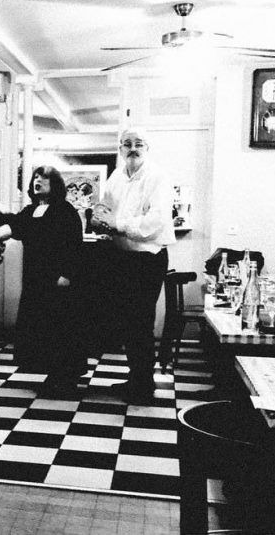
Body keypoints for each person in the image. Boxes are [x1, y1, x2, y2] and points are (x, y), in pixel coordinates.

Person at [93, 128, 175, 403]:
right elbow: (105, 206)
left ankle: (144, 386)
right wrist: (98, 216)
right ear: (120, 149)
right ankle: (135, 378)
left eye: (139, 144)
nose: (133, 148)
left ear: (147, 148)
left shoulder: (158, 177)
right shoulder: (117, 176)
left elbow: (155, 222)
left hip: (147, 259)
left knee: (141, 322)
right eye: (127, 144)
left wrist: (117, 224)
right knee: (128, 323)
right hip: (123, 258)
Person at [0, 166, 86, 392]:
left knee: (60, 326)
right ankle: (53, 373)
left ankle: (65, 376)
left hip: (58, 278)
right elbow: (14, 226)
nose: (37, 180)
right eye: (36, 177)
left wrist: (67, 274)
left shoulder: (65, 210)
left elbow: (74, 245)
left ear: (55, 183)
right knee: (42, 326)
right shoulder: (31, 210)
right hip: (35, 278)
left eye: (44, 177)